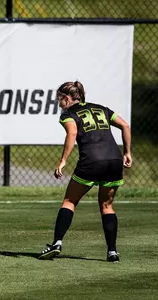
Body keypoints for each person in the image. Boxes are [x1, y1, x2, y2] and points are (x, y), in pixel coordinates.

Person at [38, 81, 132, 262]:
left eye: (59, 99)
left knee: (70, 201)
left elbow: (72, 133)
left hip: (91, 162)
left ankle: (56, 243)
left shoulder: (68, 114)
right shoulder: (101, 109)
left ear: (67, 98)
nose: (59, 104)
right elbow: (125, 126)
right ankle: (112, 251)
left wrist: (63, 161)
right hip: (114, 160)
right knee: (107, 206)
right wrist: (127, 152)